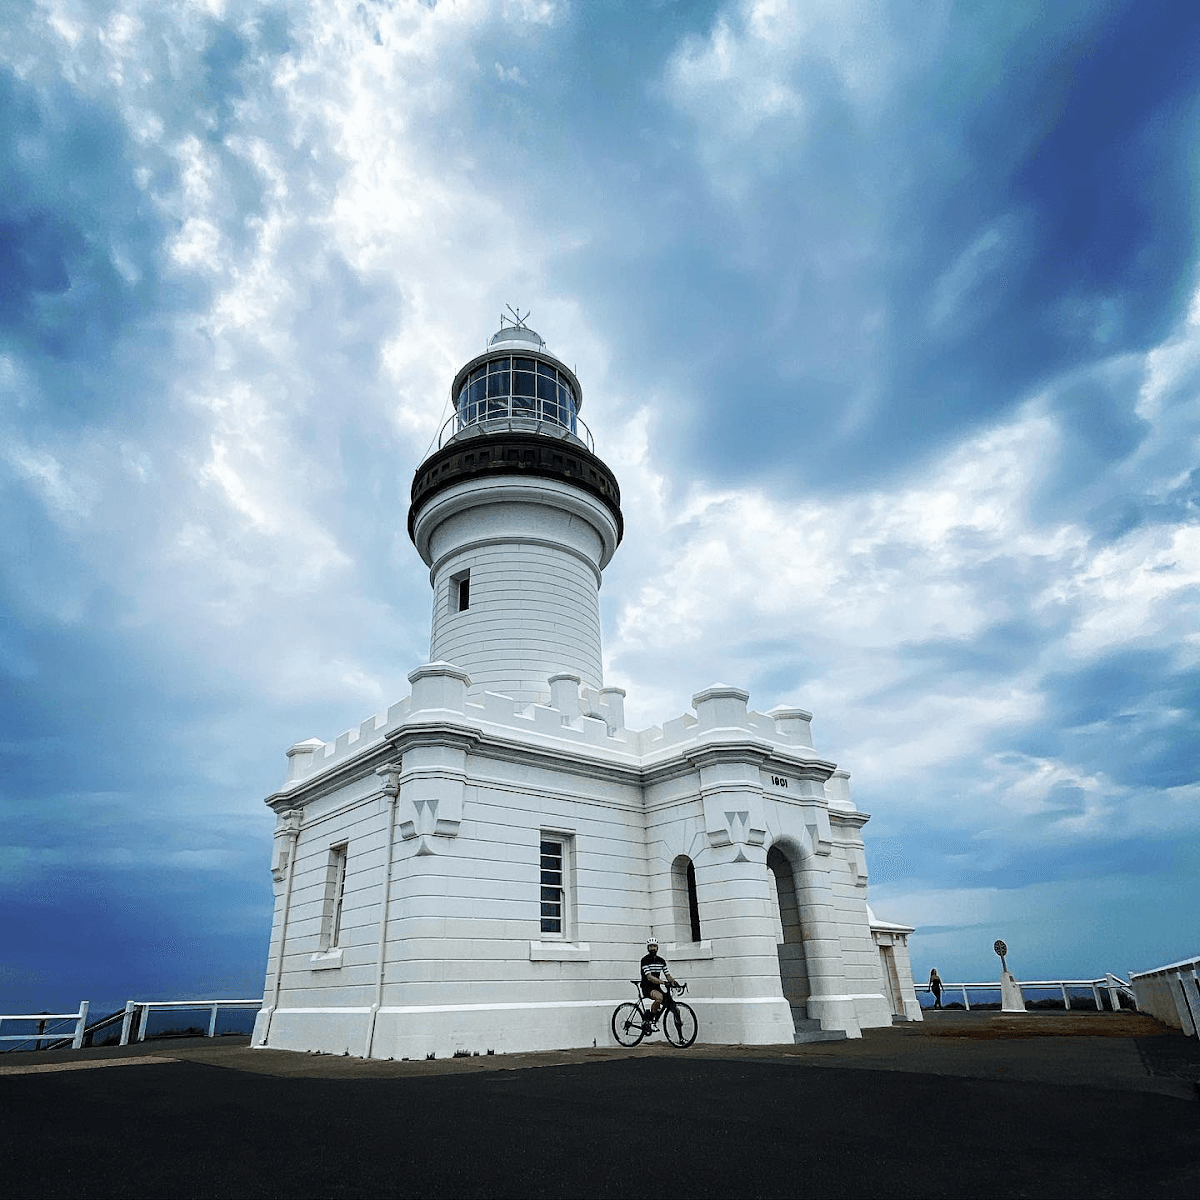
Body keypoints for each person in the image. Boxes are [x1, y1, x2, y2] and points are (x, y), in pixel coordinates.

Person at [640, 938, 678, 1028]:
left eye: (654, 946)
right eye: (650, 946)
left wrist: (675, 982)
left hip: (657, 988)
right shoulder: (645, 960)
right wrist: (663, 982)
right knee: (659, 997)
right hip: (647, 987)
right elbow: (649, 977)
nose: (652, 948)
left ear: (657, 947)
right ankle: (651, 1021)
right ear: (647, 948)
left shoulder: (661, 961)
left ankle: (680, 1034)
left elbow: (668, 975)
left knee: (676, 1009)